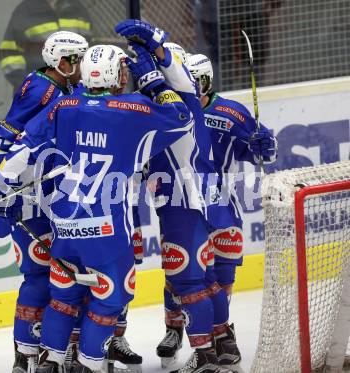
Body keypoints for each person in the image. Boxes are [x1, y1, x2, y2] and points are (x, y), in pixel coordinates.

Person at [0, 37, 194, 373]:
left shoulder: (63, 106)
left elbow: (23, 148)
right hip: (104, 229)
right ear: (111, 74)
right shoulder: (133, 109)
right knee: (110, 299)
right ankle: (89, 365)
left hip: (64, 226)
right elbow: (181, 117)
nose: (125, 76)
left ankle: (50, 362)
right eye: (122, 70)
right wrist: (152, 78)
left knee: (62, 299)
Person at [115, 22, 235, 373]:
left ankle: (204, 354)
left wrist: (156, 51)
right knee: (206, 277)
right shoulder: (170, 102)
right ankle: (222, 343)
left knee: (187, 281)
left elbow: (175, 83)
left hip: (186, 203)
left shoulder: (176, 105)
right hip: (189, 201)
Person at [0, 31, 89, 373]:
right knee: (39, 276)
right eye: (80, 59)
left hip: (49, 194)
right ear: (64, 63)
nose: (85, 66)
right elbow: (1, 138)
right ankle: (25, 356)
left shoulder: (65, 86)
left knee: (63, 275)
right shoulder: (42, 89)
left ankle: (56, 351)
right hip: (24, 197)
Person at [185, 53, 278, 365]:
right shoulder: (173, 111)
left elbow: (261, 150)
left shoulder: (232, 112)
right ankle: (188, 334)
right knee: (190, 277)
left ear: (208, 80)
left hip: (222, 205)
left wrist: (263, 144)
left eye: (197, 81)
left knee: (221, 278)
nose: (192, 87)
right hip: (186, 205)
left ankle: (221, 337)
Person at [0, 0, 92, 90]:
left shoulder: (76, 8)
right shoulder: (25, 11)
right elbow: (9, 52)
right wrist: (26, 84)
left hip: (74, 91)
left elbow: (89, 49)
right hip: (38, 91)